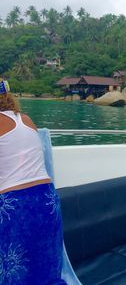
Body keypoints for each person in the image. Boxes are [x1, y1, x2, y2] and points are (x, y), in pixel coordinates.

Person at [0, 78, 68, 283]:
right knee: (46, 269)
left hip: (16, 205)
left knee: (13, 273)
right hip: (47, 200)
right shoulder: (27, 120)